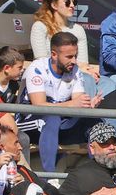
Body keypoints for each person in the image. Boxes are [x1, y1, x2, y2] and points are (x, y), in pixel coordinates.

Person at [22, 32, 97, 171]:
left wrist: (87, 105)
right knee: (52, 117)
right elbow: (38, 106)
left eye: (75, 56)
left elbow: (78, 100)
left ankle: (99, 172)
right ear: (54, 55)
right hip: (30, 122)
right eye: (69, 57)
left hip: (61, 122)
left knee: (94, 122)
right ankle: (50, 176)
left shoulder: (74, 70)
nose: (74, 61)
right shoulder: (37, 68)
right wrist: (72, 105)